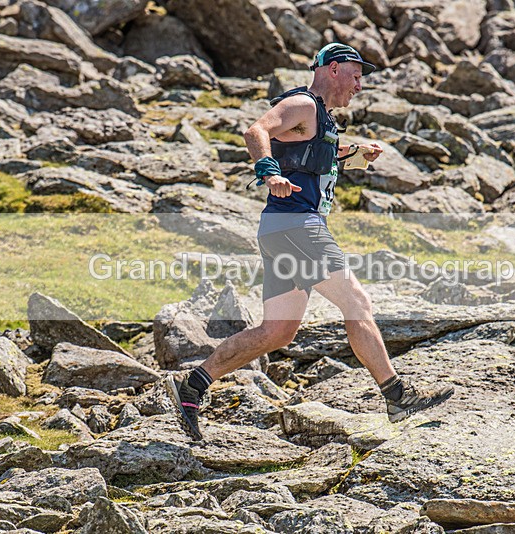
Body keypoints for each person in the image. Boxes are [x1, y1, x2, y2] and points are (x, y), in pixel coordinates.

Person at [167, 43, 454, 441]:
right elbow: (257, 131)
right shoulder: (303, 104)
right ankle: (397, 395)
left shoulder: (322, 120)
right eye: (355, 75)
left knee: (277, 333)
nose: (359, 85)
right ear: (332, 69)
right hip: (298, 226)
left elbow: (312, 156)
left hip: (279, 229)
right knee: (356, 302)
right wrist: (269, 174)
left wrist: (355, 155)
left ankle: (193, 384)